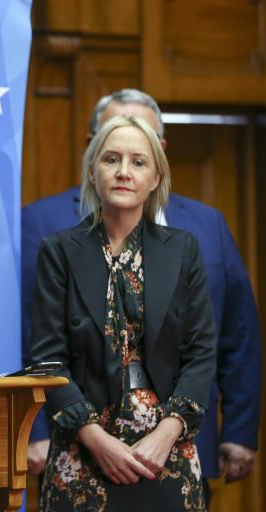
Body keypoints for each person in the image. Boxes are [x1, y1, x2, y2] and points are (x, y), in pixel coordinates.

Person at [22, 89, 262, 500]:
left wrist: (166, 434)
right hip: (83, 446)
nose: (123, 171)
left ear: (156, 177)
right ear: (92, 170)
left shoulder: (185, 247)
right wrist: (95, 439)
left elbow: (204, 351)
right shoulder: (58, 248)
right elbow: (46, 356)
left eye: (138, 162)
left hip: (167, 446)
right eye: (110, 159)